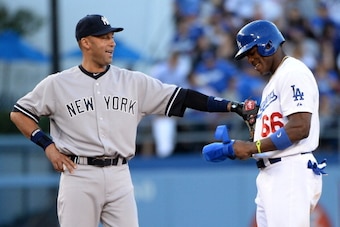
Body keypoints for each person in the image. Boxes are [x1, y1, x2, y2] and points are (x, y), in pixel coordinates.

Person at [9, 14, 252, 227]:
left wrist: (231, 105)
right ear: (85, 43)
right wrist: (47, 145)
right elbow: (19, 112)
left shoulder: (133, 82)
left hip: (119, 174)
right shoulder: (58, 84)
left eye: (111, 36)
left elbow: (183, 96)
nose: (111, 42)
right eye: (104, 37)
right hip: (79, 173)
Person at [202, 20, 325, 226]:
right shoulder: (273, 83)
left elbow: (300, 127)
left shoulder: (293, 72)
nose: (250, 59)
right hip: (273, 171)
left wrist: (252, 147)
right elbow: (276, 133)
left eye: (251, 52)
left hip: (290, 169)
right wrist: (237, 145)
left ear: (268, 45)